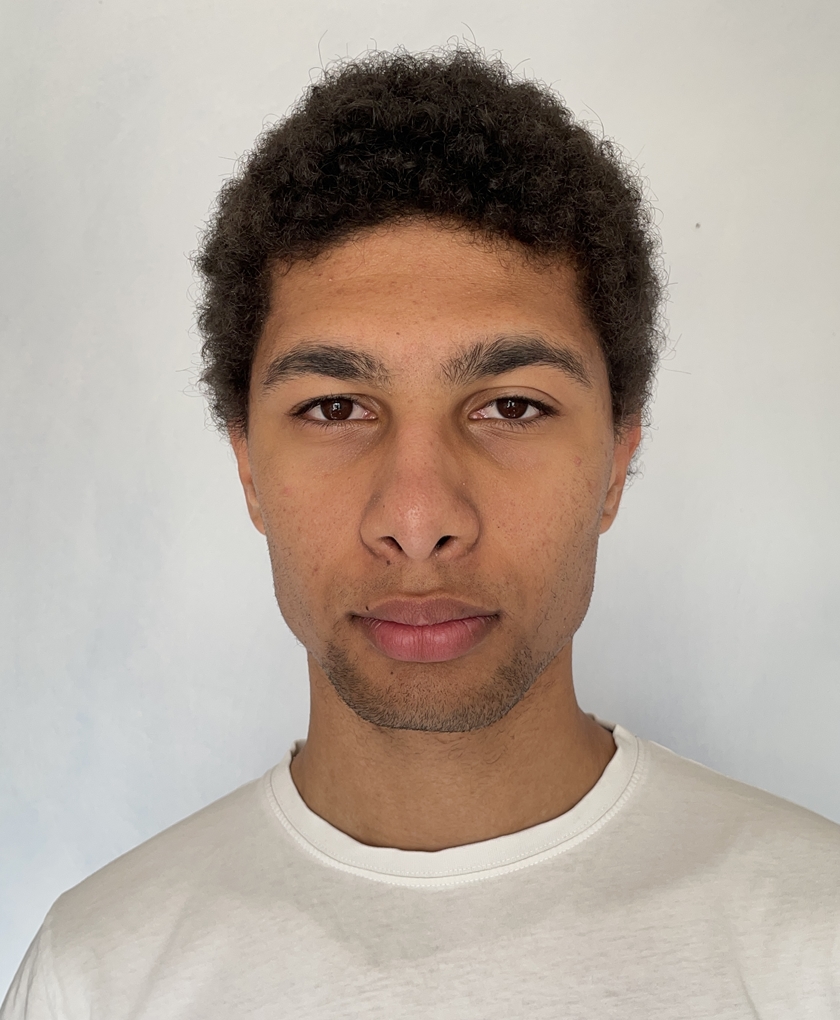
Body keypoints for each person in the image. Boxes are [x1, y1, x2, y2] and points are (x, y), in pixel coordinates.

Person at [3, 47, 839, 1020]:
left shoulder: (814, 946)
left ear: (617, 461)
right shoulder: (95, 977)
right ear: (248, 467)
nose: (418, 520)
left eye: (513, 407)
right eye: (334, 408)